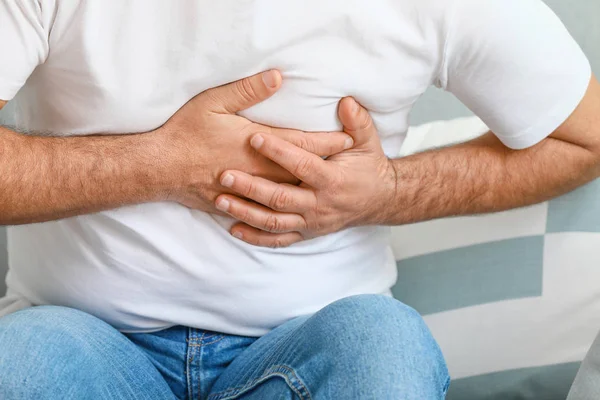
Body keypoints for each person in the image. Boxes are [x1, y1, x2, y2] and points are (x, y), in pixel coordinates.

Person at [0, 0, 597, 399]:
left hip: (311, 344)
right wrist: (164, 164)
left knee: (382, 342)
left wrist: (387, 192)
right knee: (26, 356)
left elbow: (585, 138)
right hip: (84, 341)